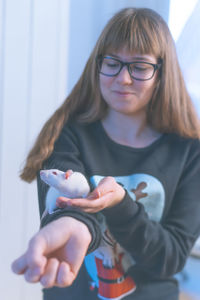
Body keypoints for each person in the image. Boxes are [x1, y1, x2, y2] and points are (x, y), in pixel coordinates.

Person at [12, 7, 200, 300]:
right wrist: (70, 224)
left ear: (162, 74)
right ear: (97, 65)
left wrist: (121, 204)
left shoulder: (190, 152)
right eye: (112, 62)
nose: (123, 78)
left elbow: (171, 256)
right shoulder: (66, 134)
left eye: (139, 67)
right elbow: (68, 206)